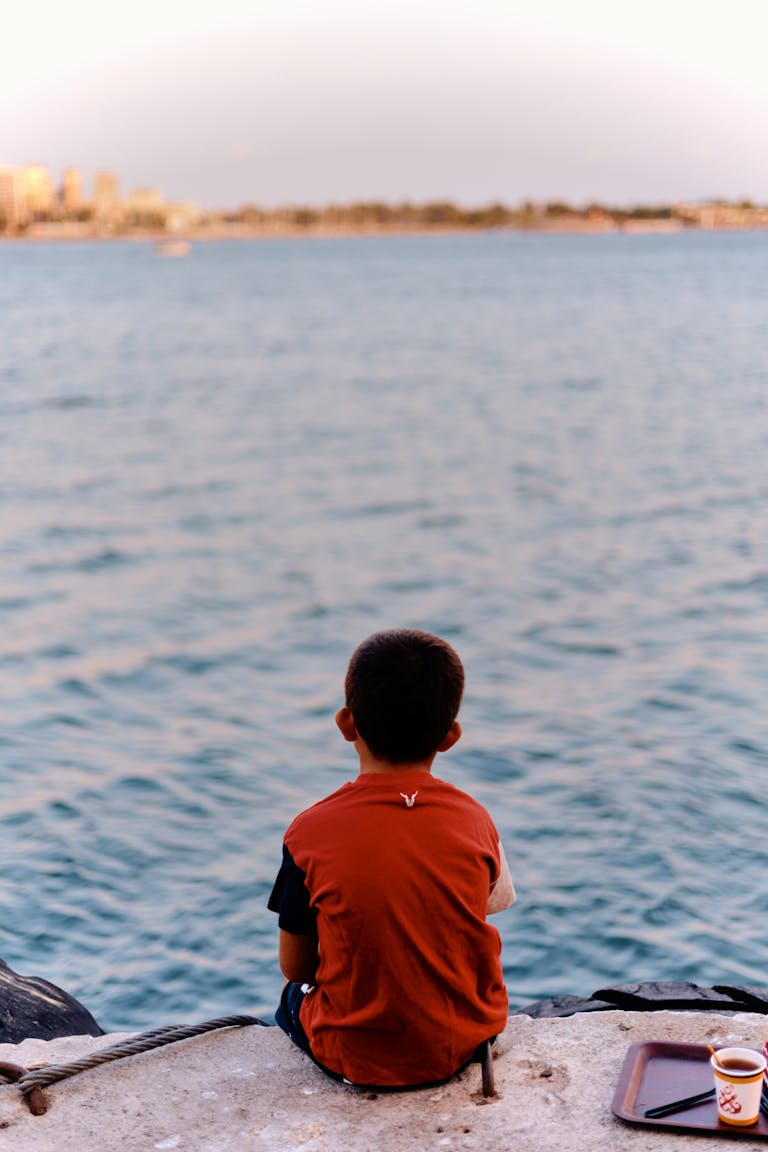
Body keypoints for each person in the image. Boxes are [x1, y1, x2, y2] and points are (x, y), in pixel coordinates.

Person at [268, 628, 515, 1088]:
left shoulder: (308, 832)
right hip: (466, 1040)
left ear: (346, 723)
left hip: (355, 1056)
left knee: (290, 998)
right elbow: (473, 912)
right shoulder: (475, 819)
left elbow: (296, 967)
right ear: (450, 736)